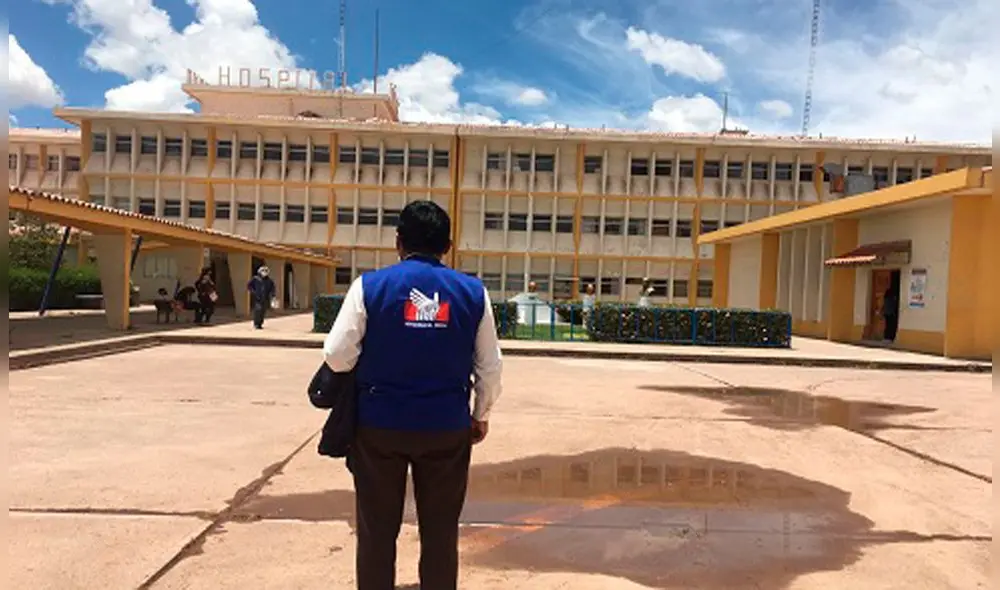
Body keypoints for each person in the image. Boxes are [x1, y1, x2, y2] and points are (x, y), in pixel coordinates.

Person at [323, 200, 503, 590]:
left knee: (376, 532)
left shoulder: (369, 287)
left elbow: (337, 355)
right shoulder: (473, 292)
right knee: (440, 533)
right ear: (448, 246)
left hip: (378, 428)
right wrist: (480, 413)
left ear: (398, 241)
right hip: (446, 428)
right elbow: (490, 366)